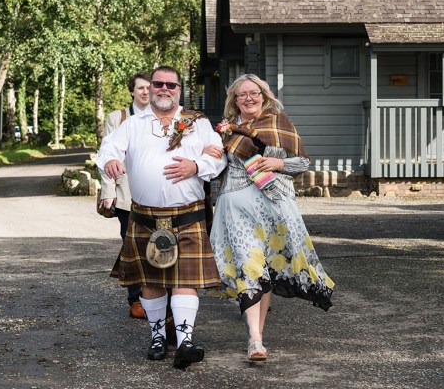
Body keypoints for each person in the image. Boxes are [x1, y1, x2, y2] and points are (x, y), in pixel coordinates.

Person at [96, 65, 226, 369]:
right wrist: (111, 161)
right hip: (145, 215)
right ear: (151, 88)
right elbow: (107, 148)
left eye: (171, 85)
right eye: (158, 84)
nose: (164, 89)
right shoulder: (133, 124)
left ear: (179, 90)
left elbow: (217, 155)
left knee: (185, 281)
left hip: (188, 215)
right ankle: (157, 337)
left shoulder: (198, 123)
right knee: (150, 280)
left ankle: (184, 342)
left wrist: (195, 166)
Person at [209, 74, 335, 361]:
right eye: (242, 95)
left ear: (264, 96)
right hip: (237, 208)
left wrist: (278, 162)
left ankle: (257, 335)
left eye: (254, 93)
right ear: (235, 100)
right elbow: (215, 169)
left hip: (275, 206)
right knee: (248, 265)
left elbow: (303, 161)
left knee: (265, 269)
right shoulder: (226, 131)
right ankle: (254, 339)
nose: (249, 98)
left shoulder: (280, 122)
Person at [100, 71, 151, 319]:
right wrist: (108, 192)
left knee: (156, 244)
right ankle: (136, 299)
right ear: (132, 91)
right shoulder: (117, 118)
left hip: (155, 193)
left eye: (149, 88)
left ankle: (157, 297)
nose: (145, 92)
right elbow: (108, 155)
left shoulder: (160, 117)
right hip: (126, 194)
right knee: (131, 246)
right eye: (141, 88)